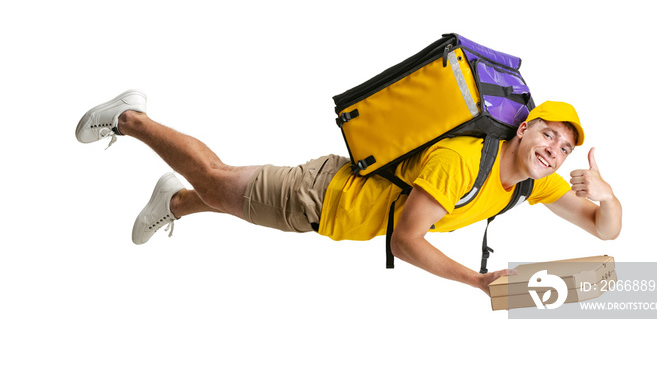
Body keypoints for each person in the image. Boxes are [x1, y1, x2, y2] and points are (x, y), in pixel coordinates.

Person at [75, 89, 622, 295]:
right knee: (218, 181)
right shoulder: (460, 164)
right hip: (323, 196)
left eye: (565, 148)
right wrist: (478, 282)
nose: (554, 150)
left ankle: (172, 200)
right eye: (547, 133)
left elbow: (604, 229)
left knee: (225, 198)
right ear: (523, 128)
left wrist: (607, 195)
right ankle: (130, 117)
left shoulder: (531, 181)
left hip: (334, 214)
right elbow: (407, 241)